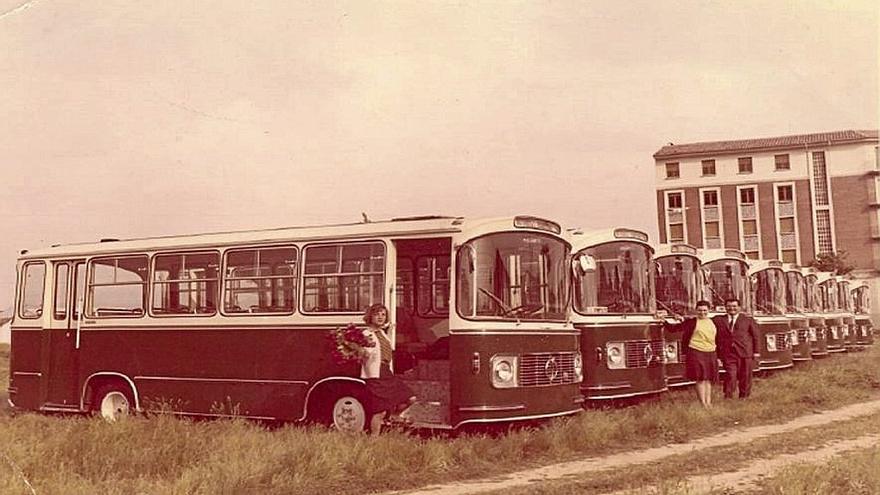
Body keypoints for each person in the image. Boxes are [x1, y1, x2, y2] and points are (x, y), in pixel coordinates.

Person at [360, 303, 416, 435]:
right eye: (377, 314)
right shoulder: (366, 333)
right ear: (370, 316)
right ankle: (375, 439)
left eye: (383, 314)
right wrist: (364, 351)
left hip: (386, 371)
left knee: (410, 398)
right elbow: (363, 353)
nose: (380, 317)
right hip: (375, 374)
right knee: (380, 410)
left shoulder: (383, 334)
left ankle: (394, 416)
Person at [668, 300, 719, 408]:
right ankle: (703, 404)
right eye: (700, 310)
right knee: (700, 378)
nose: (702, 312)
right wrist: (664, 321)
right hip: (696, 351)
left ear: (709, 310)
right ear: (696, 310)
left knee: (708, 379)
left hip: (711, 352)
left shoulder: (714, 321)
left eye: (705, 310)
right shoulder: (691, 322)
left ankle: (709, 403)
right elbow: (674, 329)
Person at [713, 298, 761, 399]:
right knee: (731, 374)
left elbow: (756, 336)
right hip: (728, 353)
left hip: (745, 352)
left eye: (734, 306)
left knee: (746, 376)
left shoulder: (748, 320)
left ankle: (744, 396)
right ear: (725, 307)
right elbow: (703, 321)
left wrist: (756, 352)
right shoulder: (718, 320)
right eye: (729, 306)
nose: (732, 308)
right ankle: (728, 396)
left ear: (739, 307)